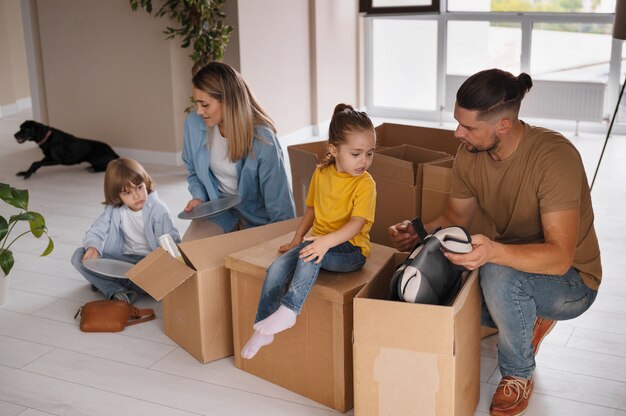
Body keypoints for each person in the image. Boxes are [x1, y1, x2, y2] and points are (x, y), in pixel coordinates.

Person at [388, 69, 601, 416]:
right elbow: (455, 220)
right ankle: (527, 314)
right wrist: (418, 232)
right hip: (511, 265)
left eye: (468, 127)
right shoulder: (469, 155)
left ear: (503, 125)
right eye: (457, 122)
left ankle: (518, 374)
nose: (457, 133)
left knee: (498, 276)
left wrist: (495, 253)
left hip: (572, 281)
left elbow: (561, 257)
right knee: (444, 288)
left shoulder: (554, 158)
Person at [241, 104, 377, 359]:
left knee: (311, 253)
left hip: (351, 250)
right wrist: (296, 239)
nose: (364, 161)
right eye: (356, 153)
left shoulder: (365, 184)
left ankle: (290, 310)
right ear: (334, 150)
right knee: (277, 269)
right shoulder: (322, 172)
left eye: (369, 153)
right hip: (317, 242)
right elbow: (311, 210)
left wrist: (324, 243)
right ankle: (263, 330)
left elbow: (356, 224)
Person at [181, 62, 295, 241]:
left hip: (257, 218)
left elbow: (279, 202)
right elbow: (193, 170)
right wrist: (199, 197)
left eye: (205, 105)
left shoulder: (263, 139)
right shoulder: (193, 124)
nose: (199, 111)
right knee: (191, 252)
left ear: (227, 101)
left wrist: (283, 240)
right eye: (197, 103)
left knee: (249, 264)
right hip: (218, 211)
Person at [71, 158, 181, 304]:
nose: (136, 196)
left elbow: (172, 241)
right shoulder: (113, 210)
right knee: (78, 256)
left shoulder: (158, 209)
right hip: (121, 259)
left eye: (139, 188)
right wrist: (92, 248)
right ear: (117, 196)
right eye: (127, 193)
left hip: (148, 263)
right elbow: (96, 230)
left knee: (162, 281)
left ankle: (107, 282)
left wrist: (165, 264)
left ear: (146, 183)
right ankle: (116, 289)